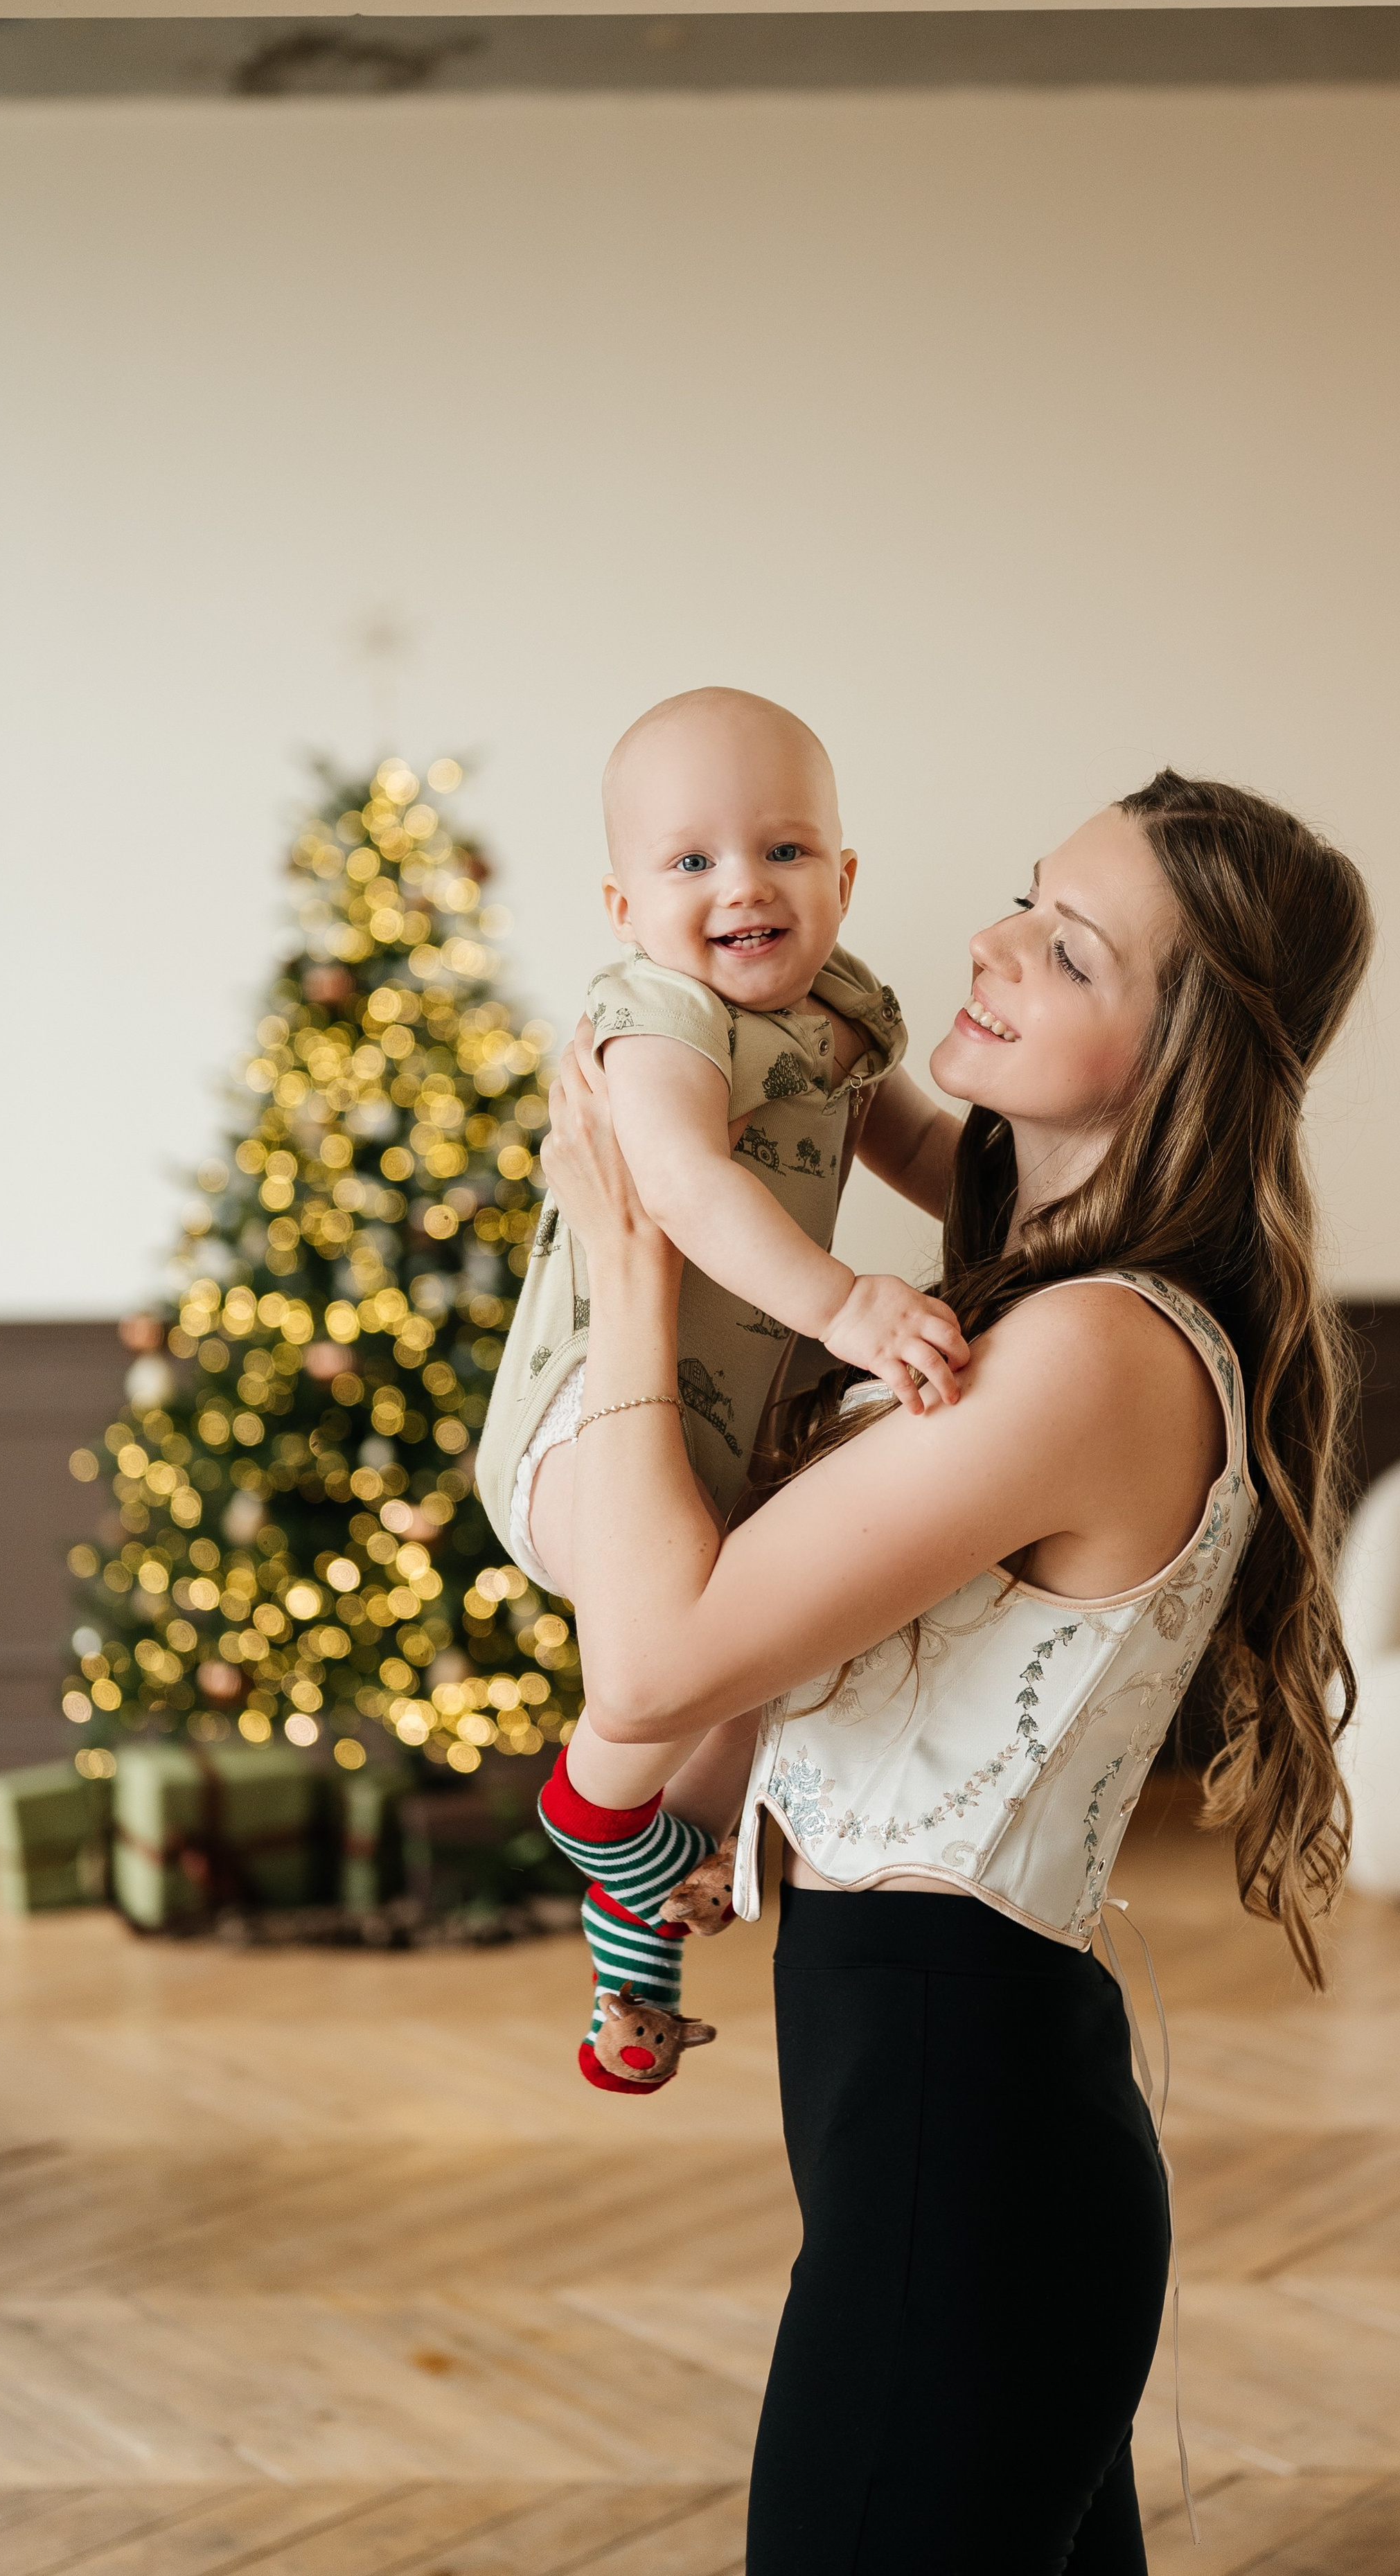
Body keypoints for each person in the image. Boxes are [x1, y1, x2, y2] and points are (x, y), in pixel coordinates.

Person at [535, 768, 1374, 2573]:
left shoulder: (1091, 1352)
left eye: (1067, 949)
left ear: (1180, 1053)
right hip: (941, 2129)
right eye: (1023, 897)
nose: (989, 944)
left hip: (971, 2157)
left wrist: (627, 1260)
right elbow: (763, 1659)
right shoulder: (1026, 1299)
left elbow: (659, 1653)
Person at [476, 685, 969, 2081]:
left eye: (784, 850)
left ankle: (643, 1939)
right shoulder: (654, 1016)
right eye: (689, 862)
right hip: (586, 1417)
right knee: (661, 1662)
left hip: (730, 1429)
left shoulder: (844, 1013)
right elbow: (681, 1185)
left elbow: (925, 1149)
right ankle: (594, 1810)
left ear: (842, 877)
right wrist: (845, 1301)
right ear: (623, 903)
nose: (741, 886)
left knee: (764, 1640)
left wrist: (1042, 1222)